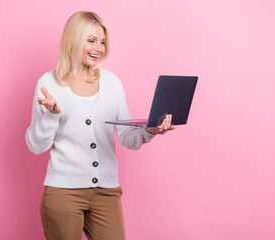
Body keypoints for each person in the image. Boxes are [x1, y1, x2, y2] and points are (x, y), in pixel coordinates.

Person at [25, 11, 177, 240]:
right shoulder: (49, 83)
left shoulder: (112, 83)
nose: (99, 48)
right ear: (74, 39)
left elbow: (127, 137)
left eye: (103, 42)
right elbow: (36, 146)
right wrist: (51, 115)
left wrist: (149, 131)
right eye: (91, 40)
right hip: (63, 193)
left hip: (106, 192)